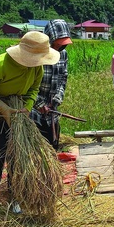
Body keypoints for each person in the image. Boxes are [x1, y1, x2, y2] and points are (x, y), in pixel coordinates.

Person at [0, 31, 60, 197]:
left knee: (17, 153)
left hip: (18, 112)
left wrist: (27, 107)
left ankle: (15, 194)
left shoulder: (36, 68)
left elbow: (33, 89)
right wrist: (3, 108)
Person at [30, 19, 72, 149]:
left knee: (52, 145)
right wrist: (39, 104)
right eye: (57, 44)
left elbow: (63, 77)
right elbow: (27, 85)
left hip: (52, 109)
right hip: (33, 109)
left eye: (63, 44)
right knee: (37, 147)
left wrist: (58, 97)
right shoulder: (36, 55)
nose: (60, 47)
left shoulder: (63, 54)